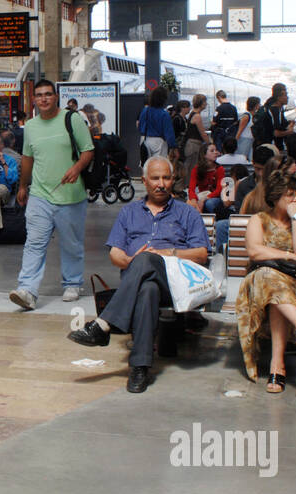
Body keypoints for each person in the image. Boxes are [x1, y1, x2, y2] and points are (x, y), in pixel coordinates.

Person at [67, 157, 208, 393]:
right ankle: (139, 367)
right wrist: (133, 262)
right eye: (155, 178)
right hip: (140, 283)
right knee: (147, 289)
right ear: (144, 181)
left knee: (147, 263)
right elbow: (115, 254)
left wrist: (167, 252)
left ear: (173, 180)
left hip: (175, 283)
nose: (161, 183)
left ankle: (103, 324)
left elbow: (202, 254)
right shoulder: (128, 212)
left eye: (166, 178)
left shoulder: (187, 213)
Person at [235, 169, 296, 392]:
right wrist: (287, 255)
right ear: (275, 197)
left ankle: (278, 366)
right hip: (258, 283)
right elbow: (255, 252)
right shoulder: (259, 220)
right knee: (269, 278)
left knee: (275, 289)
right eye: (289, 195)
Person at [10, 79, 94, 309]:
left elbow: (88, 150)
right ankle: (27, 289)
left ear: (56, 97)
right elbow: (28, 159)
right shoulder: (32, 126)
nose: (44, 98)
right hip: (39, 195)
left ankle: (72, 283)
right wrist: (23, 186)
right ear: (34, 100)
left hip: (71, 195)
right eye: (39, 95)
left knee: (71, 243)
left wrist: (76, 169)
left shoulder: (72, 119)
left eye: (48, 94)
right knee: (34, 243)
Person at [137, 87, 176, 163]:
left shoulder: (145, 110)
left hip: (146, 140)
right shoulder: (164, 114)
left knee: (146, 165)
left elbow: (140, 126)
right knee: (159, 165)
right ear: (163, 99)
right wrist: (173, 146)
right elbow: (169, 133)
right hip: (159, 142)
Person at [180, 94, 209, 188]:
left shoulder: (192, 113)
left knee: (189, 167)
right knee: (191, 168)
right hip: (194, 145)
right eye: (205, 102)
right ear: (201, 103)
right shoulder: (197, 116)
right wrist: (210, 144)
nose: (206, 104)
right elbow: (203, 133)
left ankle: (186, 186)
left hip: (190, 144)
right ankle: (187, 187)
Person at [188, 142, 226, 214]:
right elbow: (191, 189)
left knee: (209, 203)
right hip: (201, 194)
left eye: (216, 150)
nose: (215, 153)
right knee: (190, 203)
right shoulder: (196, 169)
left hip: (214, 197)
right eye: (212, 151)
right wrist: (194, 200)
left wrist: (204, 199)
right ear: (204, 155)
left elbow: (218, 190)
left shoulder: (220, 169)